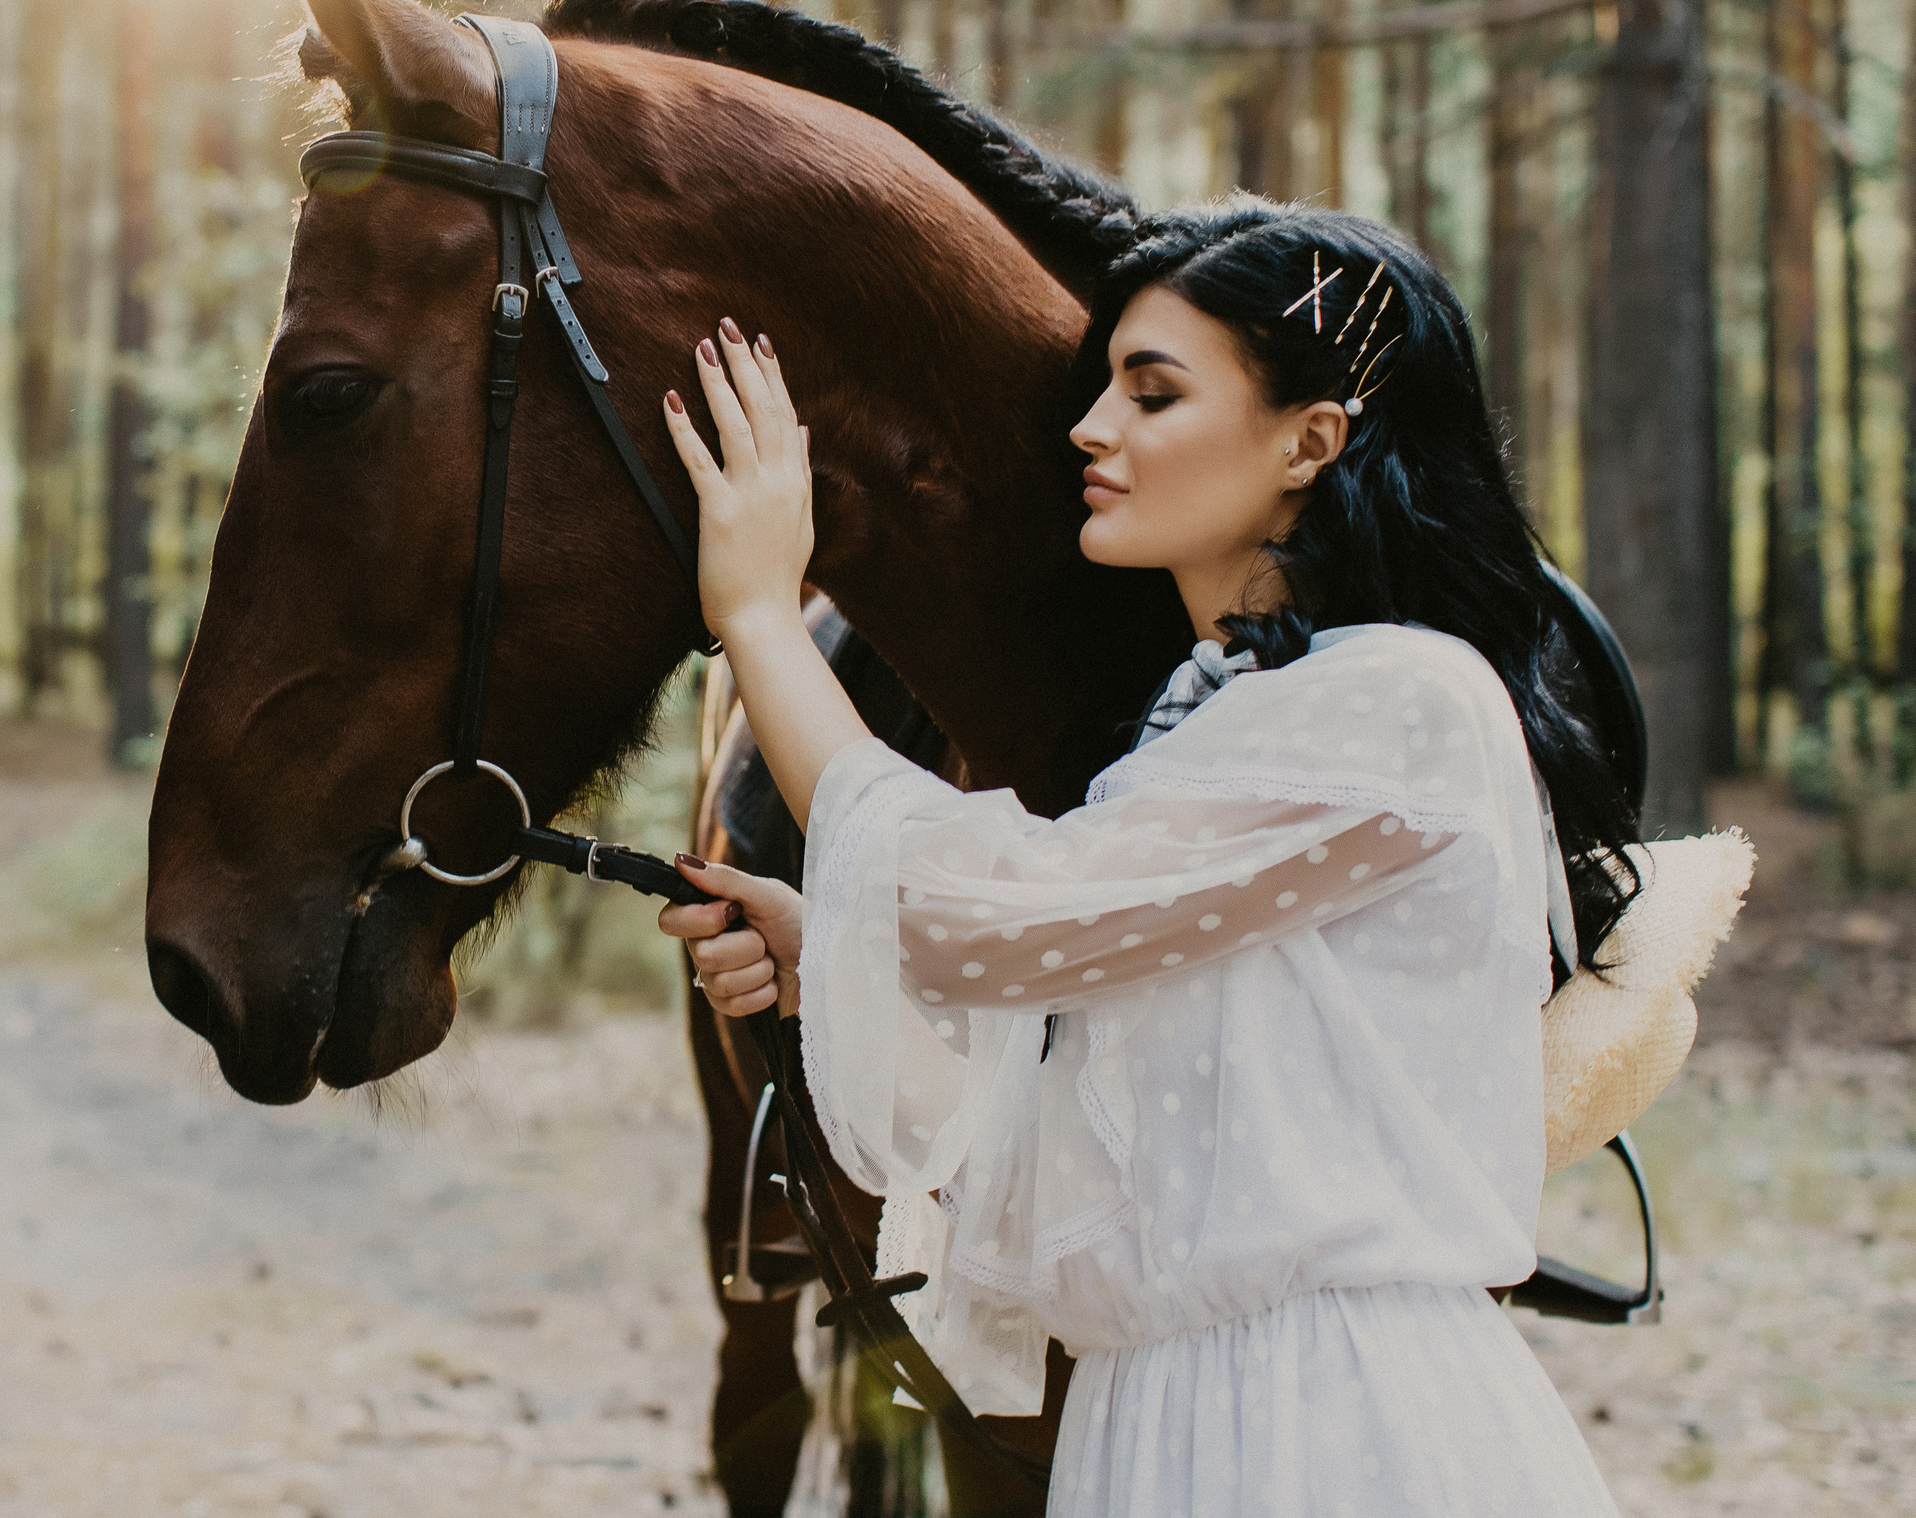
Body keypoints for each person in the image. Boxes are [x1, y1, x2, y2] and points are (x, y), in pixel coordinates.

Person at [654, 201, 1633, 1517]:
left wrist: (762, 617)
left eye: (1152, 392)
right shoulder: (1209, 729)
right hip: (1161, 1425)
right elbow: (1066, 1158)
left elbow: (984, 917)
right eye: (1105, 385)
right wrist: (829, 952)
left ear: (1311, 438)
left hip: (1329, 1431)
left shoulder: (1402, 701)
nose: (1090, 429)